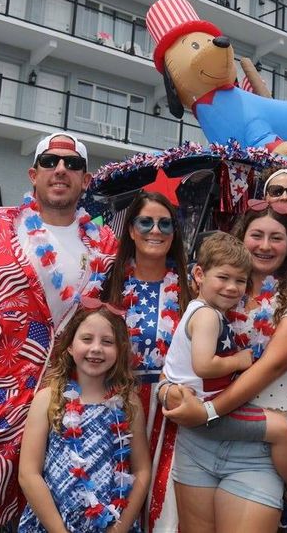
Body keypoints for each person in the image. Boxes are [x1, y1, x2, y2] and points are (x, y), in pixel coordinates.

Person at [0, 132, 117, 532]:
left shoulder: (105, 244)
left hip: (65, 407)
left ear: (86, 180)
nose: (61, 170)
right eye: (50, 162)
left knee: (54, 518)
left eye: (72, 164)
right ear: (33, 174)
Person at [162, 200, 287, 533]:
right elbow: (184, 355)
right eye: (256, 235)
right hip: (198, 441)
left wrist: (207, 412)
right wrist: (168, 389)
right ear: (241, 238)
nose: (265, 245)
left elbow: (271, 366)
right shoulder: (219, 292)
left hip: (257, 446)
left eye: (276, 237)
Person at [101, 191, 191, 532]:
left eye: (165, 223)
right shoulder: (108, 282)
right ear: (132, 231)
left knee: (164, 504)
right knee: (115, 500)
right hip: (117, 408)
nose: (156, 230)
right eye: (147, 222)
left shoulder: (190, 286)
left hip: (172, 413)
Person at [18, 301, 150, 533]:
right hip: (53, 525)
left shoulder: (129, 402)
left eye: (107, 342)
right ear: (69, 346)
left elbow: (141, 470)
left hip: (112, 524)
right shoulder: (48, 399)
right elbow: (29, 474)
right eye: (87, 339)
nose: (96, 348)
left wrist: (120, 528)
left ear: (119, 350)